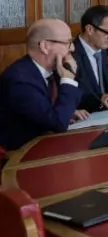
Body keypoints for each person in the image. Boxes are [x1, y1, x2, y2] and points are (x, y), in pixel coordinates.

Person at [0, 19, 88, 151]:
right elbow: (57, 124)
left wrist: (68, 111)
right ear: (45, 46)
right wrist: (68, 79)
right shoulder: (20, 80)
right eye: (68, 43)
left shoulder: (52, 70)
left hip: (46, 144)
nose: (73, 48)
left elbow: (48, 114)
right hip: (21, 155)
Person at [73, 5, 108, 111]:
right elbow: (74, 95)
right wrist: (100, 99)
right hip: (85, 115)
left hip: (105, 112)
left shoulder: (102, 49)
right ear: (90, 29)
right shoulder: (71, 54)